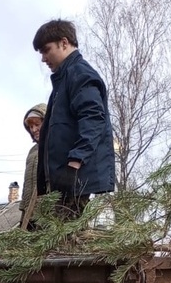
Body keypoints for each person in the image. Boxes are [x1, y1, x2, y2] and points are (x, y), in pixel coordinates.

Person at [33, 18, 115, 216]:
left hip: (74, 179)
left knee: (63, 239)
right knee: (55, 238)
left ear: (64, 42)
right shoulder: (63, 81)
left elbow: (94, 118)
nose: (43, 58)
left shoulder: (79, 74)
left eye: (46, 50)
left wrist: (74, 163)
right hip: (64, 180)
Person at [19, 102, 47, 230]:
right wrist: (24, 207)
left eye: (37, 124)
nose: (33, 129)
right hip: (28, 210)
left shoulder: (55, 146)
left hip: (46, 209)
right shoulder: (33, 150)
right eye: (30, 126)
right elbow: (27, 183)